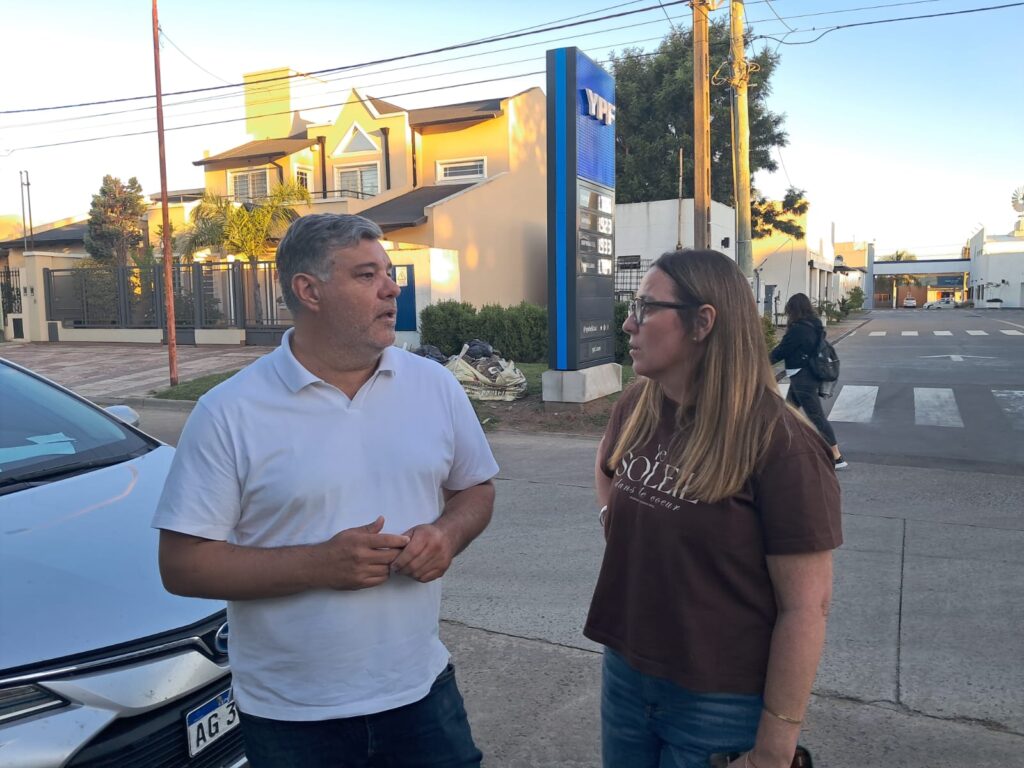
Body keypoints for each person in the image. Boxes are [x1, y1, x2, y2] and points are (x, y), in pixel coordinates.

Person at [153, 213, 498, 768]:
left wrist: (446, 535)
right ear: (308, 291)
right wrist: (318, 565)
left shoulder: (433, 385)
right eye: (366, 275)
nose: (391, 288)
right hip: (292, 717)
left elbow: (475, 488)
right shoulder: (229, 411)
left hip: (420, 692)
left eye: (388, 272)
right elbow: (182, 566)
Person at [585, 250, 842, 768]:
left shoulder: (781, 444)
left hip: (720, 702)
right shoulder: (636, 406)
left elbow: (805, 608)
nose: (628, 323)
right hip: (626, 674)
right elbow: (607, 469)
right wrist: (617, 521)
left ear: (702, 322)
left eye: (645, 308)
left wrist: (774, 749)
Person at [769, 292, 847, 470]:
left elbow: (782, 351)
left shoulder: (799, 329)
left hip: (802, 377)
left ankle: (837, 457)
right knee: (787, 413)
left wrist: (761, 362)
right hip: (806, 375)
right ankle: (784, 449)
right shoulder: (814, 325)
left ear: (794, 309)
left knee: (816, 416)